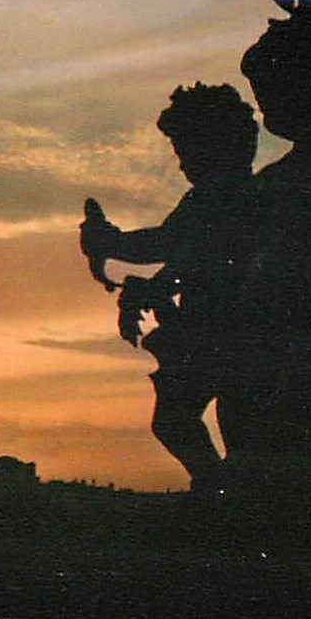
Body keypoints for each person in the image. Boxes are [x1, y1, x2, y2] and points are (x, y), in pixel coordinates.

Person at [80, 84, 261, 490]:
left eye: (187, 153)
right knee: (181, 419)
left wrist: (115, 246)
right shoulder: (205, 200)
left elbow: (181, 250)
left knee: (213, 420)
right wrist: (116, 245)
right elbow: (171, 246)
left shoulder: (238, 198)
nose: (182, 166)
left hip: (231, 330)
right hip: (206, 327)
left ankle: (222, 490)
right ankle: (220, 487)